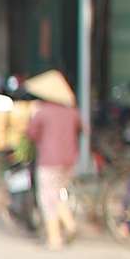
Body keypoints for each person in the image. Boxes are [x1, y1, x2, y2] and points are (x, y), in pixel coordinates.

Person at [26, 68, 82, 248]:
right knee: (57, 194)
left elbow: (31, 134)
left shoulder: (42, 111)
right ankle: (70, 224)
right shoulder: (72, 111)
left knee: (47, 198)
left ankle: (54, 238)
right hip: (69, 160)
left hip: (49, 161)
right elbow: (81, 128)